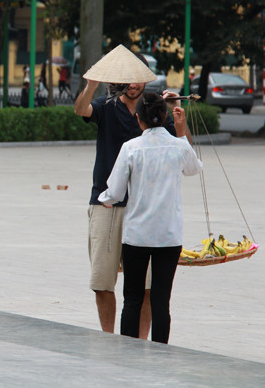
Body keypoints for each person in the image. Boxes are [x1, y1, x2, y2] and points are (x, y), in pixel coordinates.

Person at [74, 45, 189, 337]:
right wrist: (91, 86)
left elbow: (182, 152)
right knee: (102, 280)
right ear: (122, 80)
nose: (135, 84)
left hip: (146, 207)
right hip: (106, 203)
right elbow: (80, 110)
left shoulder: (155, 111)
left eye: (140, 78)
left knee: (148, 286)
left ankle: (139, 341)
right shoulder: (105, 105)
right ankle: (109, 337)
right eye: (130, 78)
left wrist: (174, 115)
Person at [98, 92, 202, 344]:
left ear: (138, 118)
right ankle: (160, 352)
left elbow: (115, 191)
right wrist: (181, 131)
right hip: (169, 235)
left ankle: (128, 354)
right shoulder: (178, 146)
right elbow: (194, 168)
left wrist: (105, 200)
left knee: (132, 298)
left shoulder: (131, 148)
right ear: (165, 115)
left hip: (137, 236)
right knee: (161, 299)